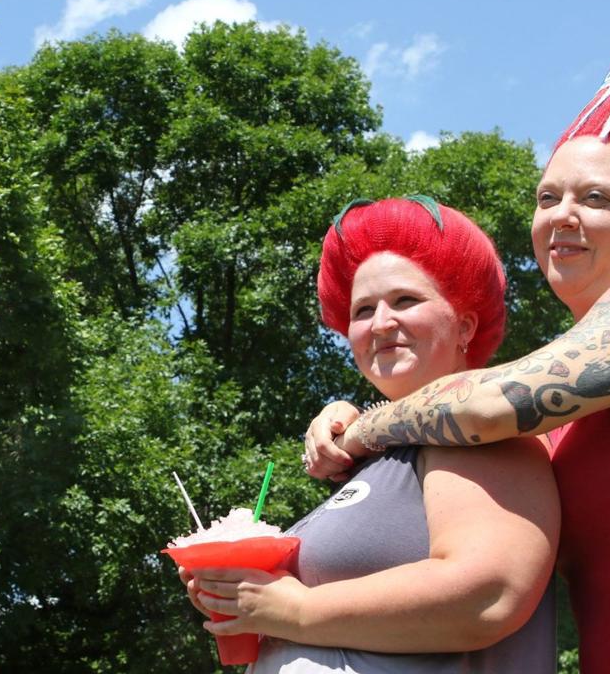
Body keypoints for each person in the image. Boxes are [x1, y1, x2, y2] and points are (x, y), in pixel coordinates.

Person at [305, 0, 610, 674]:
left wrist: (358, 428)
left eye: (595, 198)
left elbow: (487, 403)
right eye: (548, 197)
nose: (562, 217)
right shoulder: (572, 408)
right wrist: (343, 413)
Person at [180, 196, 560, 673]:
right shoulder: (375, 457)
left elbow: (490, 594)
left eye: (405, 300)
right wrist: (239, 599)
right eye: (362, 311)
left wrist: (293, 610)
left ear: (464, 324)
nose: (381, 324)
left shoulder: (480, 433)